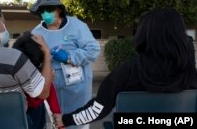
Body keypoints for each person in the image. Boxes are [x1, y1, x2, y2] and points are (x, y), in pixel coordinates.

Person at [53, 8, 197, 128]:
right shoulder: (190, 75)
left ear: (144, 34)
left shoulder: (127, 71)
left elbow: (96, 110)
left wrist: (65, 120)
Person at [30, 0, 101, 129]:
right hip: (52, 91)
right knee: (57, 123)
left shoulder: (76, 26)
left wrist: (69, 57)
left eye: (49, 9)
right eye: (42, 10)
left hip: (78, 90)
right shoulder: (36, 33)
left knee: (79, 123)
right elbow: (32, 61)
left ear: (59, 9)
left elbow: (93, 50)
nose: (46, 13)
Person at [12, 31, 61, 129]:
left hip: (36, 110)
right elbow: (47, 92)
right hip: (23, 111)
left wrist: (57, 113)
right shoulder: (16, 72)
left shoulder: (39, 71)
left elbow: (50, 91)